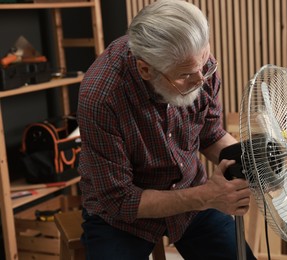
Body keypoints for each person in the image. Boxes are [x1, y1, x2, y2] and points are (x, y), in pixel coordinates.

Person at [77, 0, 256, 259]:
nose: (200, 80)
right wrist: (206, 196)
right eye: (185, 76)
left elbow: (210, 134)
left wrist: (254, 164)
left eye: (203, 65)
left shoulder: (197, 65)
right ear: (146, 69)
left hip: (191, 191)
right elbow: (119, 200)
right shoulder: (101, 96)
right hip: (121, 216)